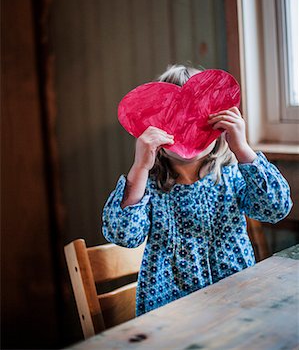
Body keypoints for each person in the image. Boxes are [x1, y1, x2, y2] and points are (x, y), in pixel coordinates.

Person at [102, 64, 292, 316]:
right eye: (174, 123)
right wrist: (139, 168)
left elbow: (275, 209)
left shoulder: (231, 175)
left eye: (196, 120)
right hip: (170, 312)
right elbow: (123, 234)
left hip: (236, 302)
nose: (187, 133)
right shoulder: (148, 187)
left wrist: (243, 149)